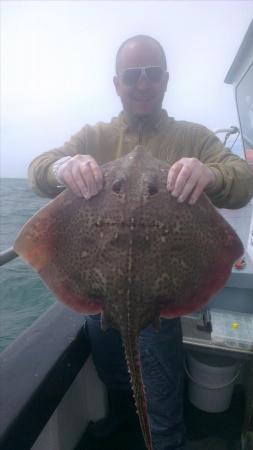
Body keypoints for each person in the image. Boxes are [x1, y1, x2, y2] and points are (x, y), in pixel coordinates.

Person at [28, 35, 253, 450]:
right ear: (118, 83)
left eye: (152, 74)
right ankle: (123, 419)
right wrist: (63, 166)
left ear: (166, 79)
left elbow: (242, 178)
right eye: (133, 76)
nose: (143, 83)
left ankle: (164, 439)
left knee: (162, 398)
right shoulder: (93, 136)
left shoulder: (192, 137)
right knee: (115, 374)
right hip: (99, 294)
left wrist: (212, 174)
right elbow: (38, 168)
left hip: (158, 303)